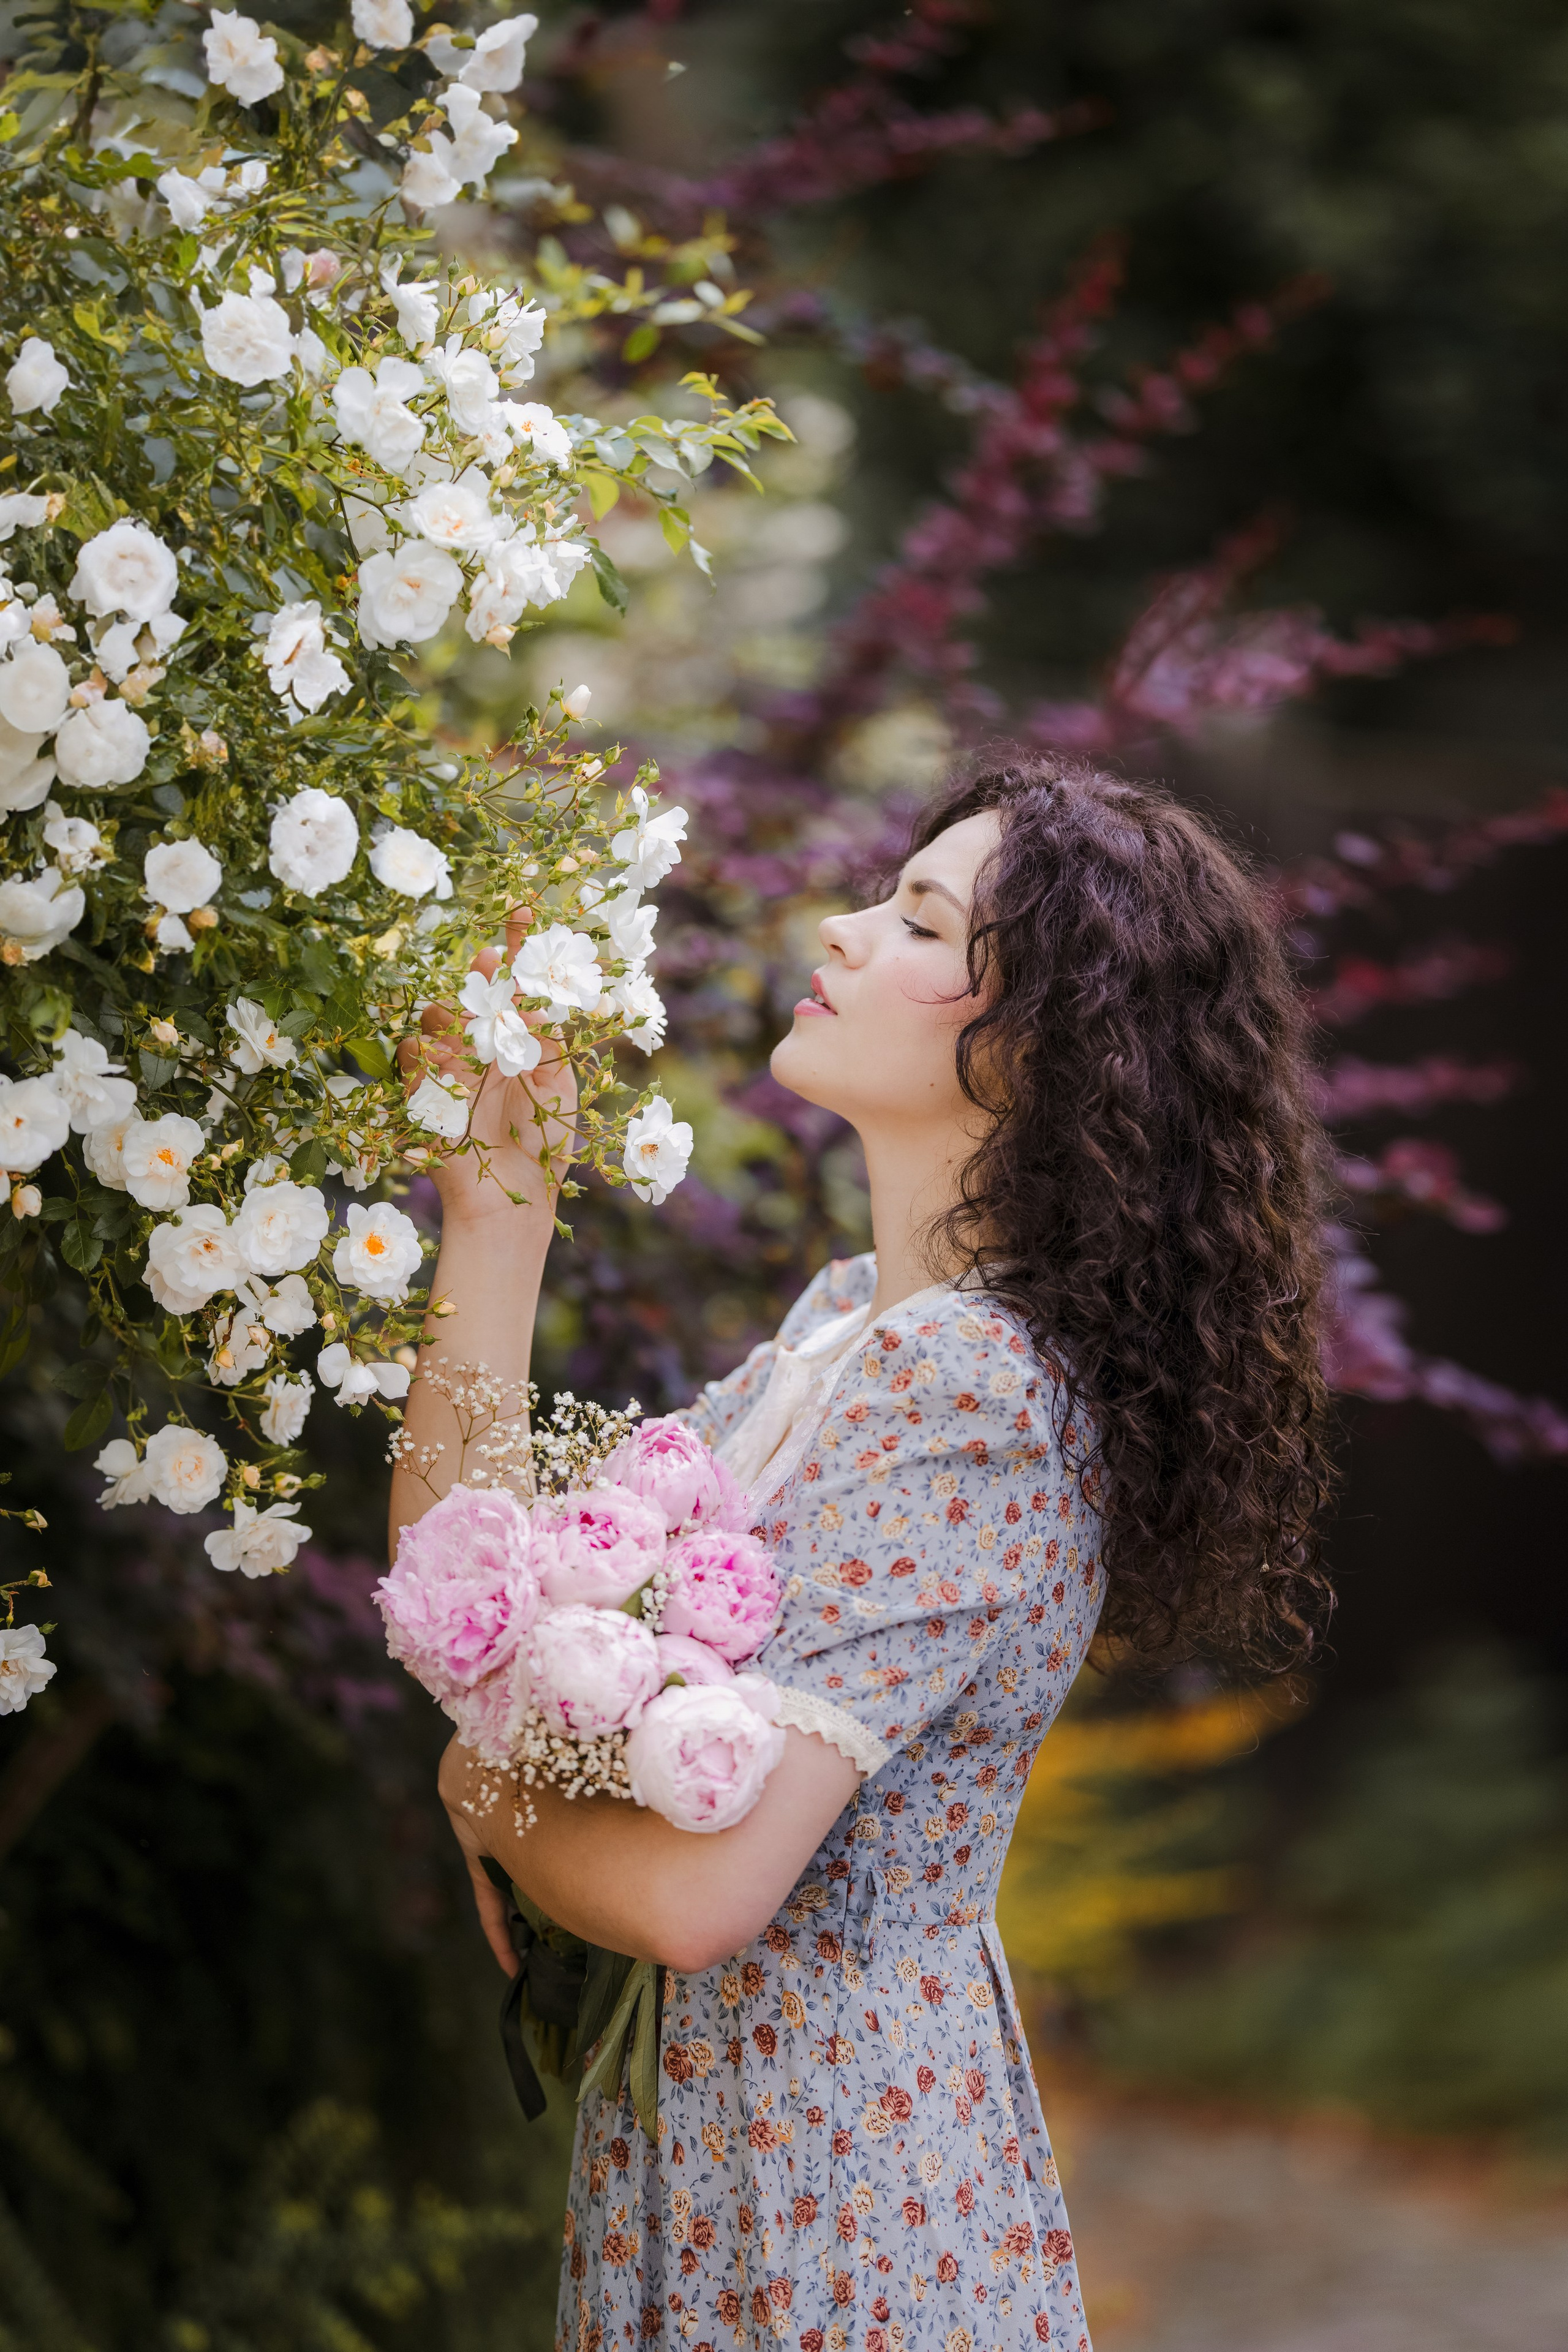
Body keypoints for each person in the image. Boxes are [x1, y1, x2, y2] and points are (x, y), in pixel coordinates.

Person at [389, 748, 1333, 2352]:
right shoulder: (847, 1329)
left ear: (1046, 1048)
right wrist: (498, 1218)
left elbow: (701, 1896)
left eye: (917, 921)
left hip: (828, 2194)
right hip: (739, 2150)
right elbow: (456, 1607)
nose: (838, 929)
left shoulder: (967, 1391)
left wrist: (482, 1792)